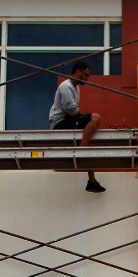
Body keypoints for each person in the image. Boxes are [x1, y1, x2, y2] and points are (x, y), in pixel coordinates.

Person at [48, 61, 105, 193]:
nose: (87, 78)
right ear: (78, 72)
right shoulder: (66, 87)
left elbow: (73, 112)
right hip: (59, 124)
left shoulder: (76, 88)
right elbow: (72, 111)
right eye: (86, 75)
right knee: (95, 118)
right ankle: (81, 151)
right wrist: (86, 117)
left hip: (68, 120)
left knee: (87, 137)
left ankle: (92, 181)